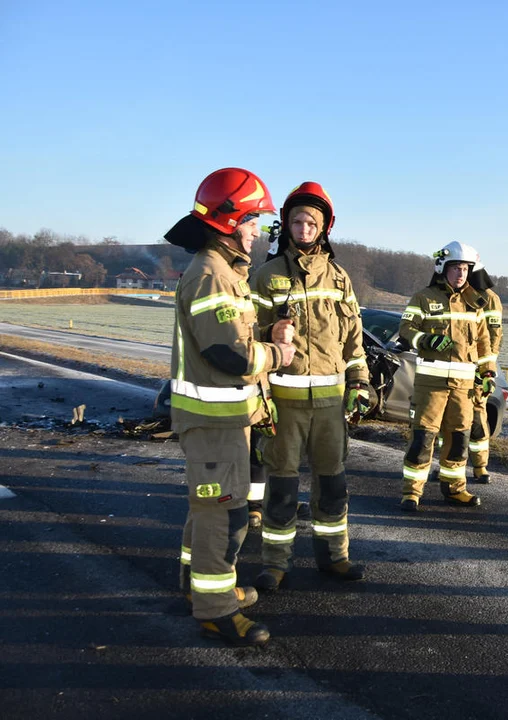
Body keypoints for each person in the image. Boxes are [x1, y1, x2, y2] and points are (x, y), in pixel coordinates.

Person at [164, 167, 295, 646]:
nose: (258, 230)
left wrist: (266, 332)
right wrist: (279, 353)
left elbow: (230, 340)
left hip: (224, 420)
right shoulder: (211, 275)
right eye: (253, 220)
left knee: (208, 509)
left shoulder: (224, 273)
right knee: (224, 514)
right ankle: (216, 609)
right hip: (213, 423)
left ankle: (195, 585)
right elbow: (230, 355)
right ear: (231, 220)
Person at [248, 182, 371, 592]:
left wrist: (359, 383)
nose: (304, 228)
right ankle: (275, 564)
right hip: (284, 401)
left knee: (333, 484)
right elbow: (246, 333)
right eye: (297, 221)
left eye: (311, 222)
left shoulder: (338, 277)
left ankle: (334, 557)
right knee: (281, 487)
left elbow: (354, 338)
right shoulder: (266, 276)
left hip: (331, 404)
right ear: (286, 225)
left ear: (324, 228)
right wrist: (270, 330)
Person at [398, 241, 495, 511]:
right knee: (423, 439)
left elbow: (484, 343)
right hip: (431, 385)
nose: (460, 274)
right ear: (443, 268)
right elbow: (405, 329)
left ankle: (454, 489)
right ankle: (412, 493)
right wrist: (426, 340)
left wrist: (488, 373)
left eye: (464, 269)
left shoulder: (475, 303)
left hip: (464, 387)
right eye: (455, 268)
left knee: (459, 439)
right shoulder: (424, 297)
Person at [463, 263, 503, 483]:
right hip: (458, 367)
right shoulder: (457, 294)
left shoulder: (489, 298)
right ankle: (447, 466)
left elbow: (494, 337)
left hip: (479, 369)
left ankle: (480, 466)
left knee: (478, 417)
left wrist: (485, 369)